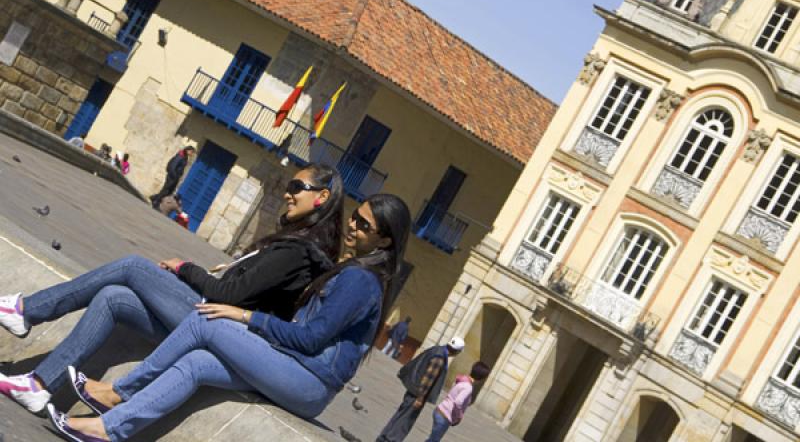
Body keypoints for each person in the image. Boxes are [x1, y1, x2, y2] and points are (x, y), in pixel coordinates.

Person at [47, 194, 412, 442]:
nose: (352, 226)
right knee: (200, 362)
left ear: (384, 243)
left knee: (209, 319)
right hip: (297, 373)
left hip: (307, 381)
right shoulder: (356, 273)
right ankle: (110, 430)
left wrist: (245, 316)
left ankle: (118, 391)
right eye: (355, 217)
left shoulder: (360, 280)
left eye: (365, 226)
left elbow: (311, 339)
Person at [0, 164, 344, 415]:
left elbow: (231, 295)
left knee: (133, 265)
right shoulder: (296, 243)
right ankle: (40, 385)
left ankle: (26, 311)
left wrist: (185, 268)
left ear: (322, 197)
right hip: (205, 320)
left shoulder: (299, 251)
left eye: (297, 187)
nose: (288, 192)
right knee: (113, 297)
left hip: (218, 327)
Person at [376, 337, 465, 442]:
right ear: (457, 352)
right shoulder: (440, 358)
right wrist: (420, 398)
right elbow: (428, 378)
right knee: (405, 421)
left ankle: (383, 438)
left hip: (413, 389)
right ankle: (390, 440)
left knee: (400, 416)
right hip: (417, 393)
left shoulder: (437, 349)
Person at [425, 361, 491, 442]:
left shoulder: (462, 380)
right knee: (434, 440)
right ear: (481, 377)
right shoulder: (468, 387)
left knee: (432, 439)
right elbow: (458, 402)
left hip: (439, 410)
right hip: (445, 416)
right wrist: (459, 417)